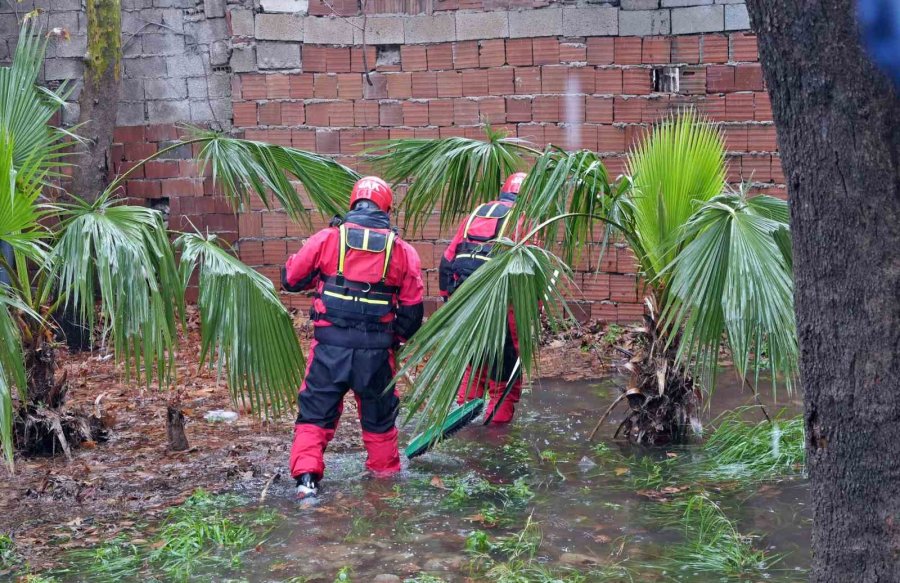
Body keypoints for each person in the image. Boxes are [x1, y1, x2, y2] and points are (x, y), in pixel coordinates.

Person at [282, 176, 424, 499]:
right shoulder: (402, 252)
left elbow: (291, 278)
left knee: (314, 415)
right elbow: (413, 313)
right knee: (380, 423)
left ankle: (306, 482)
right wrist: (392, 338)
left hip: (329, 351)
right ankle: (385, 492)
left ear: (353, 203)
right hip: (376, 357)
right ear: (386, 208)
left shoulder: (327, 239)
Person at [438, 172, 527, 424]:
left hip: (468, 306)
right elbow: (530, 278)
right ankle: (494, 443)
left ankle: (464, 430)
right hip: (504, 311)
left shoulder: (474, 216)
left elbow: (447, 262)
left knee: (474, 368)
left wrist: (450, 301)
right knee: (504, 382)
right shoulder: (524, 221)